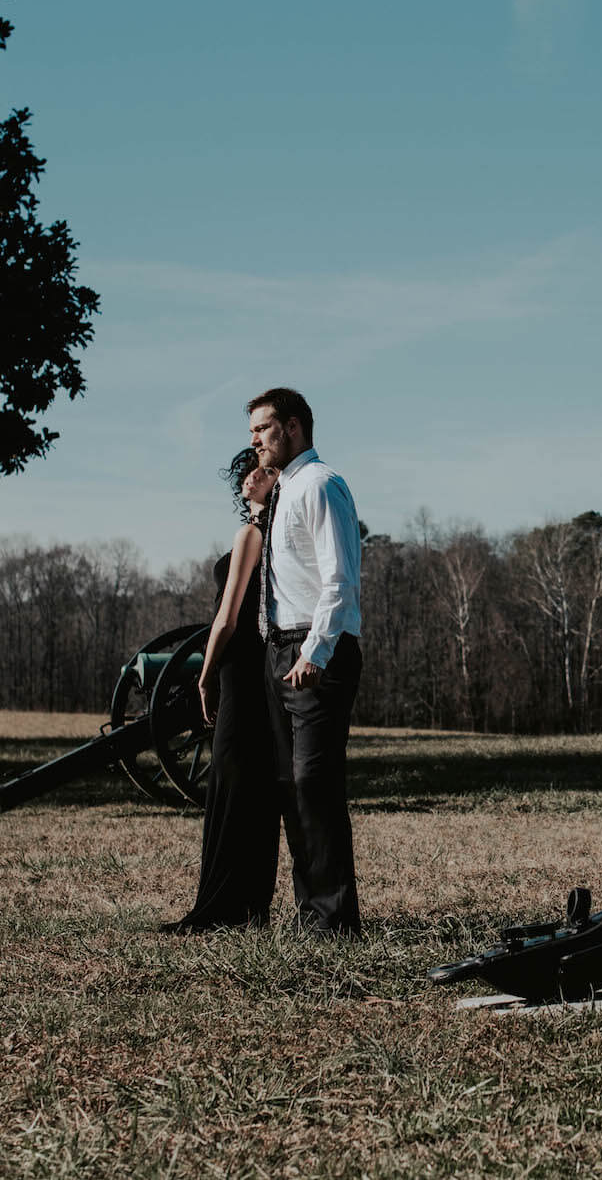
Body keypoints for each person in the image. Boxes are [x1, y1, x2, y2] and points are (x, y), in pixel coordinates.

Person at [247, 385, 365, 934]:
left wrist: (315, 652)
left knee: (313, 783)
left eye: (262, 429)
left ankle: (335, 922)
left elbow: (338, 580)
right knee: (290, 787)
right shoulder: (284, 492)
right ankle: (312, 914)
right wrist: (258, 505)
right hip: (280, 649)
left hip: (315, 651)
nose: (255, 442)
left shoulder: (321, 485)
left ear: (292, 427)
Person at [162, 449, 280, 933]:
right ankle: (247, 907)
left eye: (267, 468)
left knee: (233, 780)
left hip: (240, 666)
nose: (254, 475)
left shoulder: (252, 534)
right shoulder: (275, 537)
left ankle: (223, 909)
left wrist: (205, 674)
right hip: (260, 666)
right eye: (249, 470)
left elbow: (226, 618)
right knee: (249, 782)